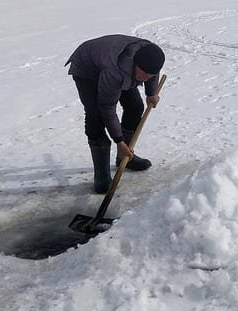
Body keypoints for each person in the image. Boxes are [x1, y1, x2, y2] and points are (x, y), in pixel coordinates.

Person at [66, 34, 165, 193]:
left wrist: (151, 92)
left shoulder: (148, 54)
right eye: (143, 73)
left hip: (112, 62)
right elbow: (107, 107)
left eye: (150, 74)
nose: (146, 77)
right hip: (87, 68)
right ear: (136, 64)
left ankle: (124, 159)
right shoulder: (117, 71)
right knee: (96, 117)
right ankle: (102, 175)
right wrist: (119, 141)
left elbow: (152, 71)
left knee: (135, 107)